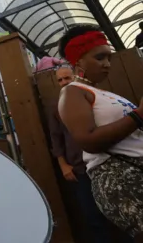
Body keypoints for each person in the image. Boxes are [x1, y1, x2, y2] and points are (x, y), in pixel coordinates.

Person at [58, 25, 143, 241]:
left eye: (109, 58)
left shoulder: (102, 93)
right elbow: (88, 141)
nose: (107, 64)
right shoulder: (72, 92)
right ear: (78, 61)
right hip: (120, 178)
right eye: (99, 57)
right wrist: (138, 115)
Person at [42, 59, 112, 243]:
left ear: (75, 76)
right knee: (92, 218)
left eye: (67, 77)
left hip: (104, 162)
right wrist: (63, 165)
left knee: (117, 213)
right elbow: (55, 137)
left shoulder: (90, 96)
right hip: (78, 169)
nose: (64, 82)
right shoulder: (56, 106)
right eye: (60, 80)